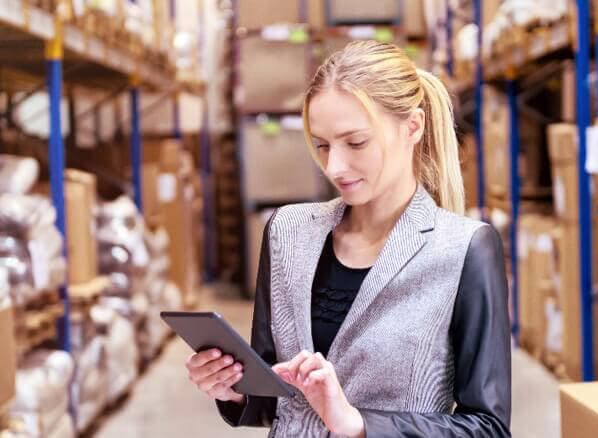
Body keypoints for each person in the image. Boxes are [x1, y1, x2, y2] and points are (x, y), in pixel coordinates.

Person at [185, 40, 511, 437]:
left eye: (356, 142)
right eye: (322, 145)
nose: (335, 167)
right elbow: (272, 397)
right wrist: (231, 388)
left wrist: (359, 424)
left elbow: (487, 428)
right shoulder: (287, 232)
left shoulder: (464, 248)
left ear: (413, 127)